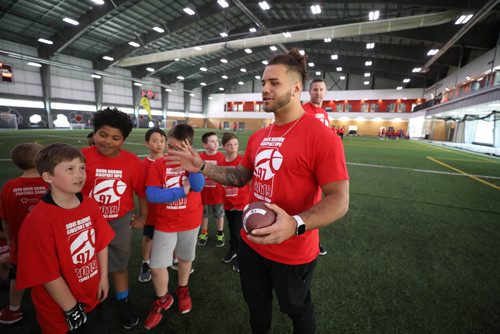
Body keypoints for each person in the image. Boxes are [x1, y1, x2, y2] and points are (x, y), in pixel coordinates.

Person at [167, 48, 349, 333]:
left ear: (297, 88)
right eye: (263, 82)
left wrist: (296, 224)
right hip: (250, 244)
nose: (264, 89)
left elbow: (339, 200)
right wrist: (203, 167)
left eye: (274, 83)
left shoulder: (322, 138)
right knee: (256, 305)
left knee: (296, 309)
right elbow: (241, 177)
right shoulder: (258, 137)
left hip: (293, 251)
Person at [16, 143, 115, 333]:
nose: (79, 175)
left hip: (91, 293)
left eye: (82, 168)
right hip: (60, 308)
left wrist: (103, 278)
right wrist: (71, 309)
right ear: (48, 177)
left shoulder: (90, 205)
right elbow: (47, 273)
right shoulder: (38, 221)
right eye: (70, 169)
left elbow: (101, 244)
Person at [81, 107, 147, 329]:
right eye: (103, 134)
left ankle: (122, 300)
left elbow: (141, 191)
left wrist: (142, 215)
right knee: (87, 265)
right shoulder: (81, 157)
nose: (108, 141)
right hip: (85, 223)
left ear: (123, 140)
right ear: (94, 133)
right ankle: (92, 302)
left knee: (119, 263)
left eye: (115, 137)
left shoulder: (132, 162)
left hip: (119, 222)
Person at [143, 124, 204, 330]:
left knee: (186, 259)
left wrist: (192, 167)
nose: (172, 152)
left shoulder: (193, 163)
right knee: (157, 265)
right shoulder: (159, 164)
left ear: (188, 147)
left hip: (190, 220)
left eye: (178, 149)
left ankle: (183, 289)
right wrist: (180, 192)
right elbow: (153, 195)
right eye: (170, 146)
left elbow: (197, 186)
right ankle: (163, 299)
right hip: (165, 223)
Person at [0, 143, 48, 325]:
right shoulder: (50, 183)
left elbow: (5, 219)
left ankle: (13, 309)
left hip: (21, 243)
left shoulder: (9, 187)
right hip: (47, 242)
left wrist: (10, 238)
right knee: (51, 273)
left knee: (18, 274)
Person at [303, 78, 332, 256]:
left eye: (321, 90)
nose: (318, 93)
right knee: (305, 203)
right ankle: (304, 238)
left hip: (320, 166)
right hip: (306, 165)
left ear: (325, 92)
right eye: (315, 89)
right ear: (310, 92)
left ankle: (315, 240)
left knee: (317, 204)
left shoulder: (324, 113)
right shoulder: (304, 110)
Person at [219, 132, 250, 273]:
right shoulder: (221, 163)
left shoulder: (243, 161)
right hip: (228, 202)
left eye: (236, 144)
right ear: (224, 146)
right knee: (232, 228)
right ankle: (233, 249)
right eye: (230, 145)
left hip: (241, 202)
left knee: (239, 231)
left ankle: (241, 257)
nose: (233, 147)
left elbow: (249, 179)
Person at [138, 128, 167, 283]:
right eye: (155, 140)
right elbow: (141, 191)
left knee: (170, 234)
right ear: (147, 143)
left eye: (162, 141)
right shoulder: (143, 164)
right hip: (151, 209)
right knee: (149, 236)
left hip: (168, 209)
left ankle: (173, 259)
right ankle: (145, 262)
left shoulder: (170, 161)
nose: (159, 144)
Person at [197, 132, 225, 247]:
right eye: (212, 141)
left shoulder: (222, 157)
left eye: (217, 141)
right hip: (203, 194)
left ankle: (220, 233)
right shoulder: (200, 158)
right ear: (205, 145)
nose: (216, 143)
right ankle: (204, 233)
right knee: (204, 215)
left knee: (219, 215)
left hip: (218, 194)